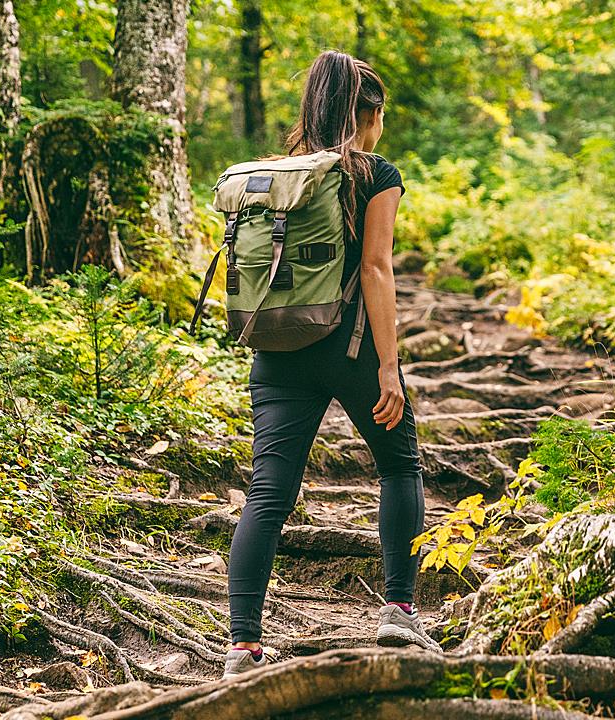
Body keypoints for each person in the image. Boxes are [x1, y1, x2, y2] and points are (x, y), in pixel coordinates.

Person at [222, 50, 441, 680]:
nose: (381, 131)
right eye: (380, 117)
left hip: (279, 350)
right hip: (351, 352)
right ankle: (399, 610)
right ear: (365, 114)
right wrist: (389, 367)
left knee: (268, 493)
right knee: (400, 465)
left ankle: (242, 644)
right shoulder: (374, 173)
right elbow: (375, 268)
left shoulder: (278, 175)